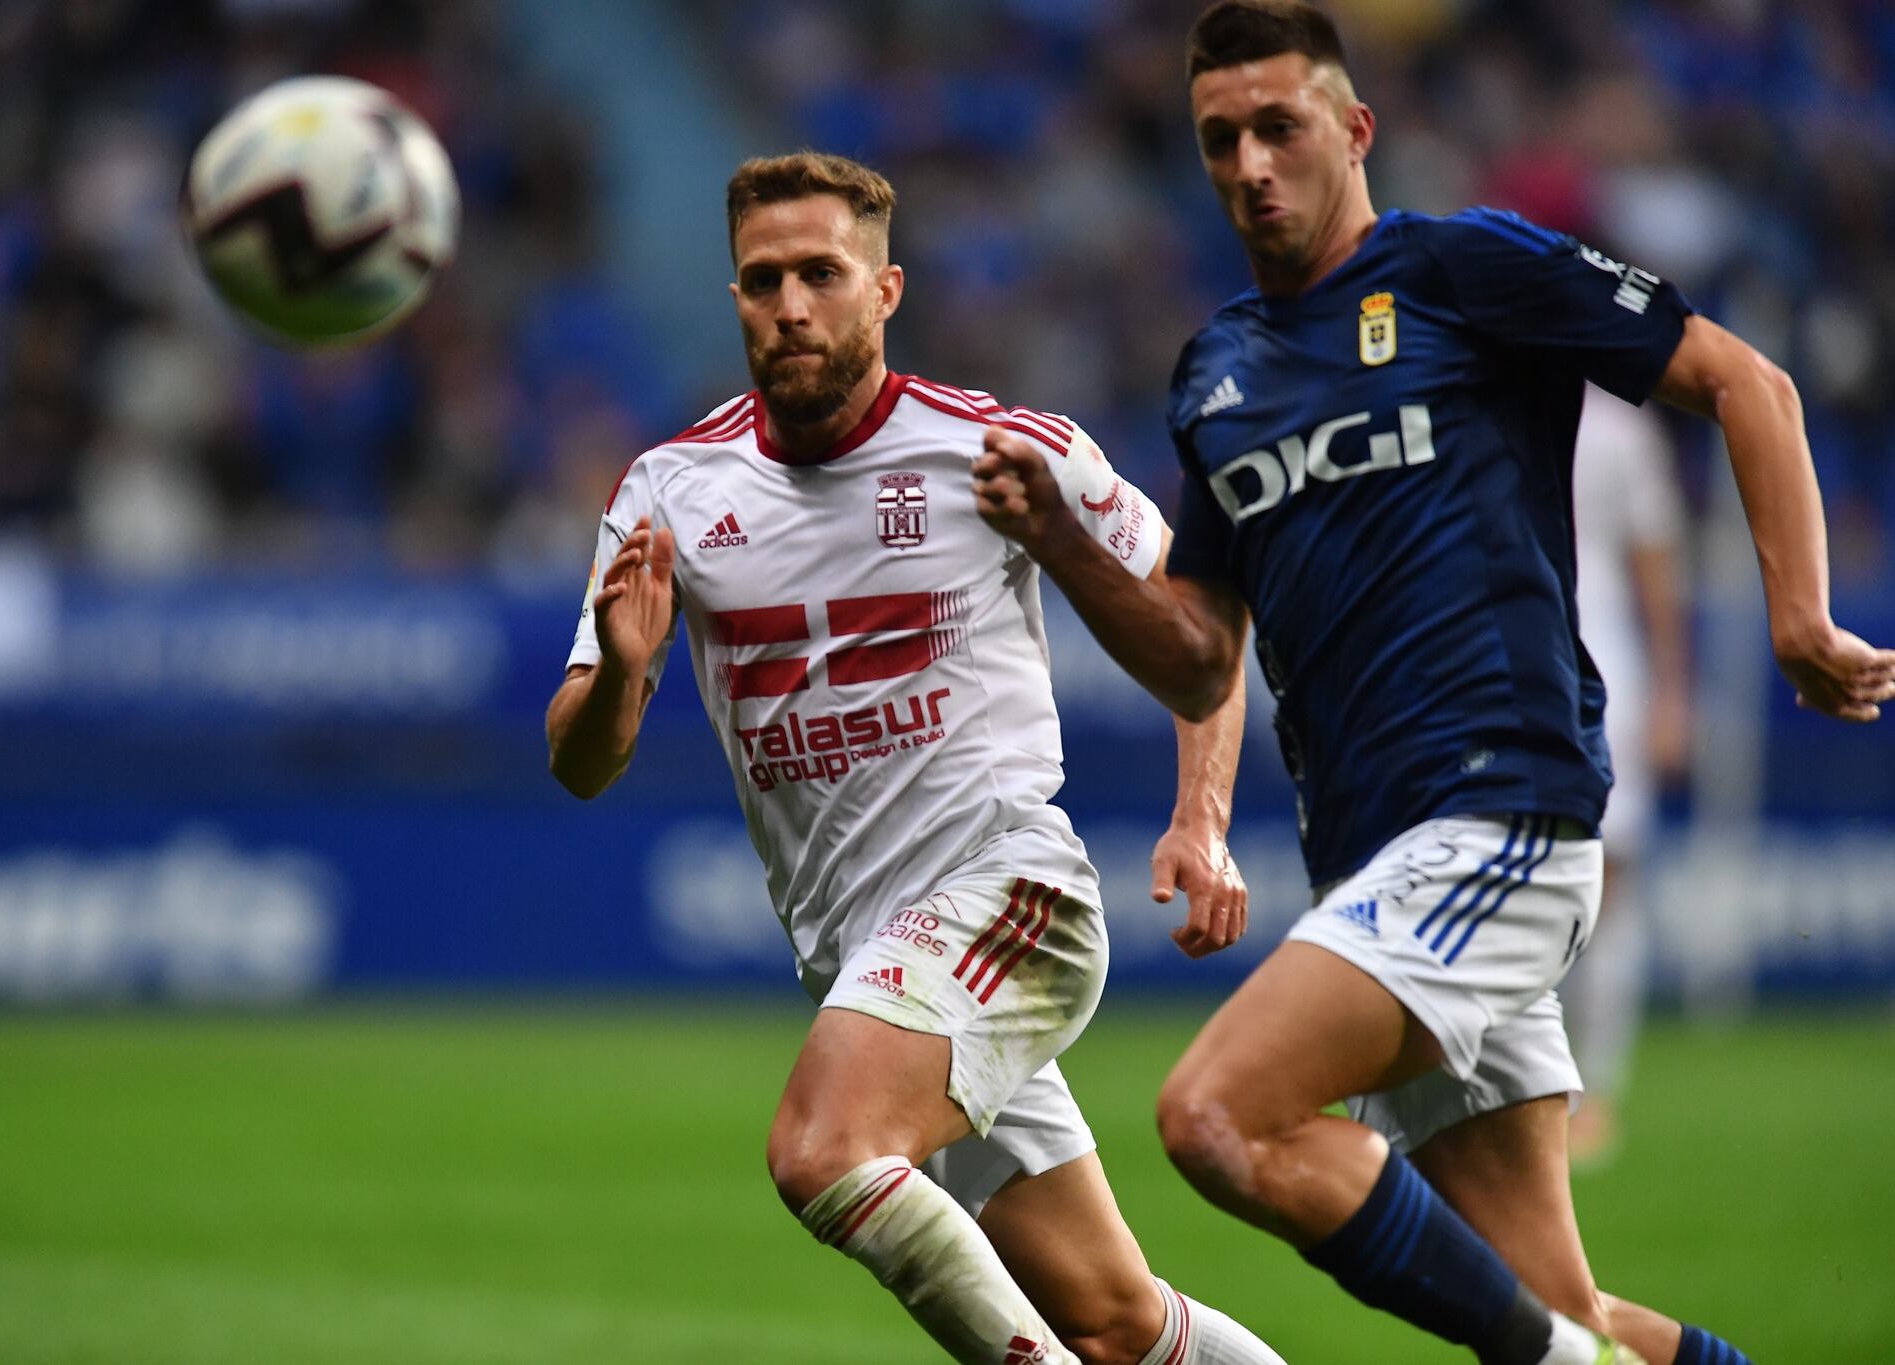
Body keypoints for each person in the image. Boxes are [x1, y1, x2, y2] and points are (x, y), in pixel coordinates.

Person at [969, 5, 1895, 1364]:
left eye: (1278, 128)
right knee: (1561, 1303)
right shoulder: (1217, 373)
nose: (1248, 165)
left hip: (1499, 814)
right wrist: (1060, 546)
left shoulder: (1462, 270)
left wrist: (1799, 613)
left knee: (1218, 1117)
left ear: (1354, 130)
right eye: (1219, 138)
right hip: (1375, 864)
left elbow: (1747, 385)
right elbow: (1200, 650)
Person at [547, 151, 1283, 1365]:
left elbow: (1200, 624)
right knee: (1114, 1323)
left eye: (820, 275)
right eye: (761, 279)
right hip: (872, 969)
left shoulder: (996, 450)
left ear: (884, 290)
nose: (789, 305)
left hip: (1008, 902)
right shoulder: (668, 493)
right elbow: (582, 763)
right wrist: (625, 669)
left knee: (821, 1151)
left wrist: (1198, 820)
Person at [1564, 386, 1693, 1166]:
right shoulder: (1461, 391)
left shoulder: (1613, 425)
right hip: (1497, 671)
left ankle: (1597, 1093)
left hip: (1605, 669)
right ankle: (1533, 1095)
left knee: (1607, 885)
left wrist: (1674, 689)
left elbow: (1655, 560)